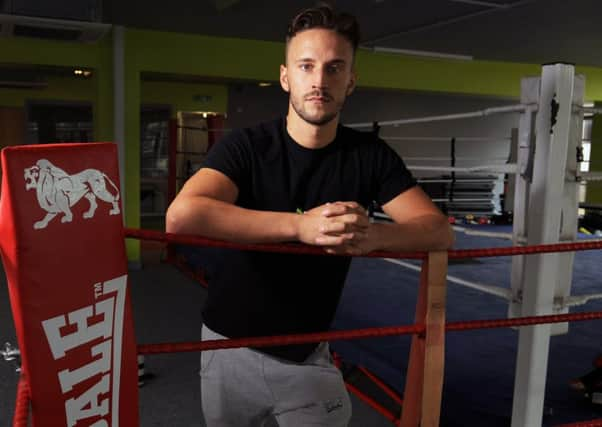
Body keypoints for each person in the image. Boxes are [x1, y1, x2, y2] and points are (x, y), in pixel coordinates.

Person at [165, 3, 454, 426]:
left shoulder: (369, 156)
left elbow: (437, 230)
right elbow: (181, 216)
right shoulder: (247, 146)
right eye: (306, 66)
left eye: (334, 68)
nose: (319, 81)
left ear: (351, 81)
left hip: (307, 352)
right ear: (286, 77)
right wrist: (301, 226)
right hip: (230, 345)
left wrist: (373, 237)